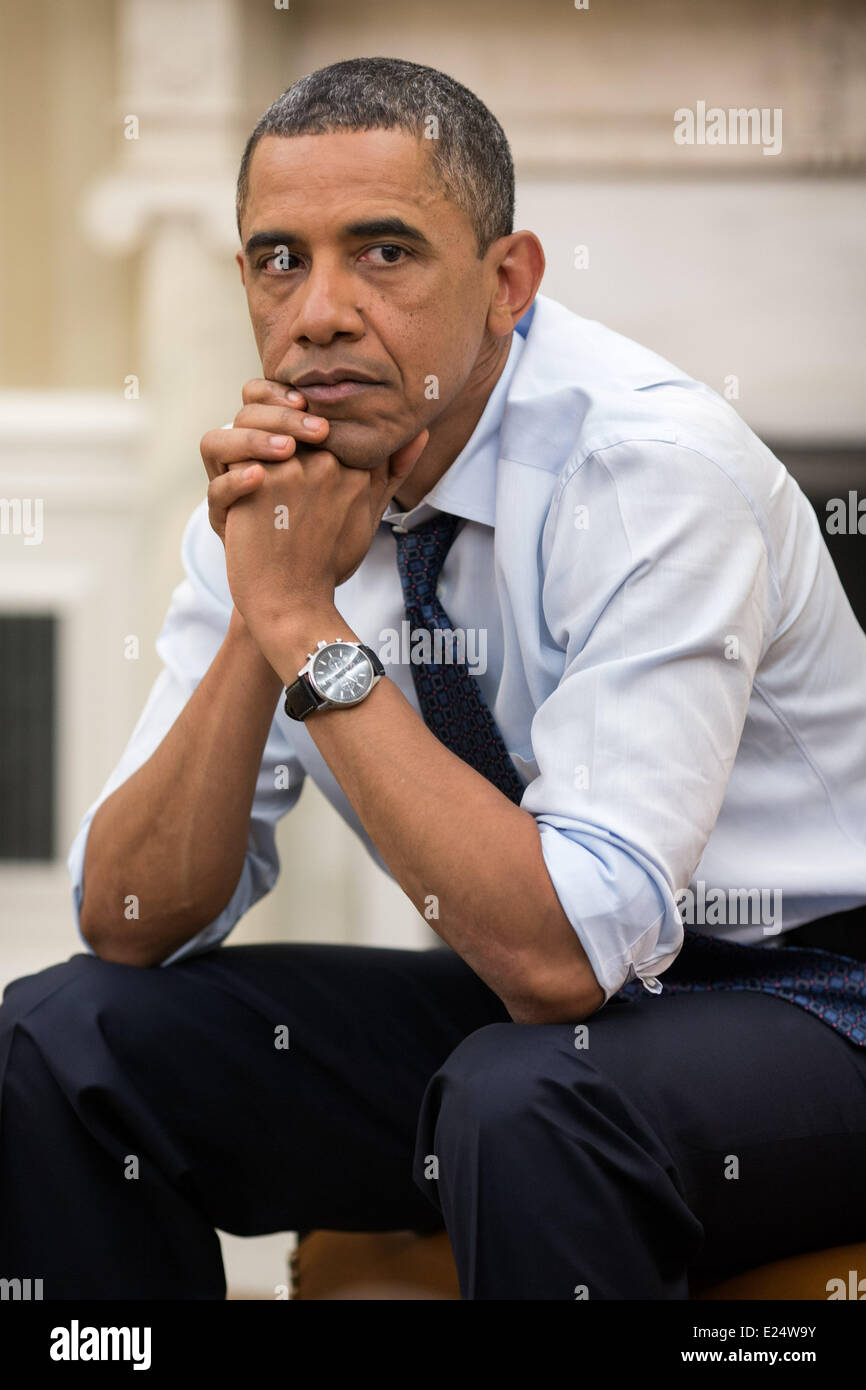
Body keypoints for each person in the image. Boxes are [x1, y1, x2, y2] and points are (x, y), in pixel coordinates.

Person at [1, 57, 865, 1301]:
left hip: (810, 998)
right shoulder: (279, 491)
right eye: (279, 259)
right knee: (62, 1033)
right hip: (536, 1018)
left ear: (506, 281)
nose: (321, 311)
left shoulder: (646, 473)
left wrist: (304, 623)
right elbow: (129, 922)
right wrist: (264, 612)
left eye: (384, 251)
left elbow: (565, 955)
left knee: (525, 1095)